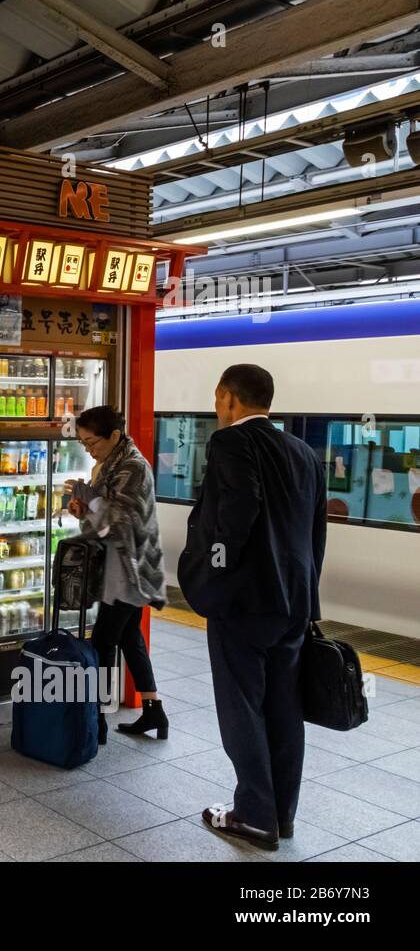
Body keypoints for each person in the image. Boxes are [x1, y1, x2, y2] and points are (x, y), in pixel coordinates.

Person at [178, 364, 326, 852]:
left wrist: (215, 575)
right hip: (294, 605)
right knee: (285, 708)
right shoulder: (303, 452)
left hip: (244, 604)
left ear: (226, 398)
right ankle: (282, 815)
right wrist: (309, 602)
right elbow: (314, 536)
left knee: (241, 706)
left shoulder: (230, 443)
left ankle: (254, 816)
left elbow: (236, 514)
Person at [66, 406, 168, 745]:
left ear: (113, 436)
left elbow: (119, 521)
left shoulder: (133, 467)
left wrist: (89, 499)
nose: (89, 450)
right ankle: (154, 709)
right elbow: (101, 520)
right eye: (83, 444)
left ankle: (97, 719)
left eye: (92, 442)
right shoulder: (108, 465)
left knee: (103, 642)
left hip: (130, 569)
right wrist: (84, 507)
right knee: (129, 638)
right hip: (117, 565)